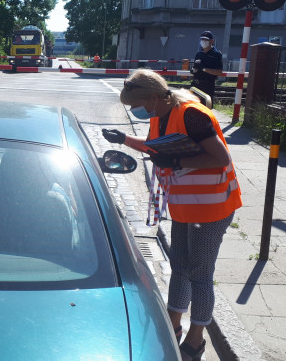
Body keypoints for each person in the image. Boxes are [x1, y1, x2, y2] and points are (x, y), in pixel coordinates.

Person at [102, 69, 242, 361]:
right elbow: (157, 147)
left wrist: (176, 159)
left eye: (136, 105)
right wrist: (124, 139)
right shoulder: (159, 114)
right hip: (184, 205)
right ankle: (173, 322)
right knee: (179, 266)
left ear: (153, 97)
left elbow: (220, 157)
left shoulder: (192, 115)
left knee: (200, 274)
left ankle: (196, 337)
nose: (136, 111)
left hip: (212, 207)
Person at [191, 31, 223, 102]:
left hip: (208, 85)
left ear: (212, 41)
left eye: (206, 40)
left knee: (206, 107)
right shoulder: (199, 53)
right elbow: (196, 66)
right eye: (202, 39)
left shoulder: (216, 54)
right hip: (196, 84)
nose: (203, 41)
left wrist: (204, 69)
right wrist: (193, 70)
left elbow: (219, 72)